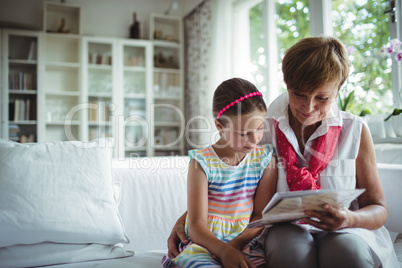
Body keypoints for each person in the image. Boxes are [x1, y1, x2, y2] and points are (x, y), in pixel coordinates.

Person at [167, 37, 399, 268]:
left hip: (346, 229)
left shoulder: (355, 130)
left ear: (339, 88)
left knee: (347, 254)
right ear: (286, 84)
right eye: (299, 94)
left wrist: (350, 218)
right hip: (284, 229)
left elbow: (378, 208)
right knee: (291, 254)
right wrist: (186, 221)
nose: (308, 108)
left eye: (322, 98)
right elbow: (229, 181)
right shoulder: (260, 127)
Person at [162, 78, 278, 268]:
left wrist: (235, 245)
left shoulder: (265, 160)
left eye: (259, 128)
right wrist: (224, 250)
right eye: (243, 133)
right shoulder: (202, 162)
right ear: (219, 126)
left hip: (244, 242)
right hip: (204, 244)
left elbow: (260, 216)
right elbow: (196, 225)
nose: (254, 139)